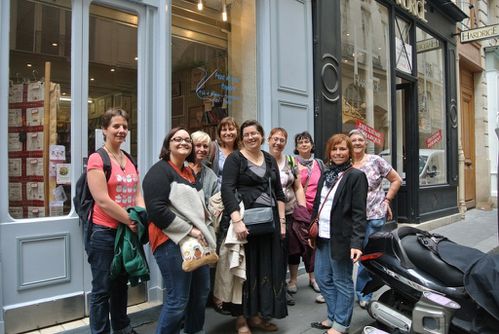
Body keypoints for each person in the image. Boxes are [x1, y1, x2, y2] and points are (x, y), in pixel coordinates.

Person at [142, 128, 215, 334]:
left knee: (201, 294)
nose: (183, 143)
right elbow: (156, 210)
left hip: (197, 241)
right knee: (178, 300)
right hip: (169, 243)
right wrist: (189, 229)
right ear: (168, 144)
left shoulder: (190, 172)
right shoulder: (159, 171)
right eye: (177, 139)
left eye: (187, 140)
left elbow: (199, 206)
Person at [221, 120, 288, 334]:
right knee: (244, 271)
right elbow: (227, 190)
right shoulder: (235, 159)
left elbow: (279, 193)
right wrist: (236, 220)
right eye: (247, 134)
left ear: (261, 136)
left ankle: (258, 316)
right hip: (245, 224)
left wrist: (282, 223)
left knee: (266, 268)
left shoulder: (269, 159)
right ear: (242, 138)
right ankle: (241, 319)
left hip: (270, 224)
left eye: (255, 133)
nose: (251, 137)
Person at [86, 108, 145, 334]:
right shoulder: (97, 158)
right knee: (102, 289)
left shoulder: (128, 158)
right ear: (104, 129)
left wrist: (140, 215)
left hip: (126, 232)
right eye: (116, 126)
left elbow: (137, 191)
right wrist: (130, 220)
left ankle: (122, 328)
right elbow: (102, 199)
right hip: (104, 232)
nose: (121, 131)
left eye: (124, 127)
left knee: (121, 286)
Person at [310, 133, 367, 334]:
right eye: (334, 149)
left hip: (342, 238)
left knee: (342, 280)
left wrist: (357, 243)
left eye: (342, 149)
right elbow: (318, 203)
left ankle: (341, 324)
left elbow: (360, 214)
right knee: (322, 277)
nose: (338, 153)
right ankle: (333, 316)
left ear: (349, 152)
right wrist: (312, 232)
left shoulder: (356, 176)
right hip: (323, 235)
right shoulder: (327, 173)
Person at [349, 129, 402, 308]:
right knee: (346, 256)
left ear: (365, 143)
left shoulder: (375, 161)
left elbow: (396, 179)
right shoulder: (345, 162)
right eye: (353, 140)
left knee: (367, 257)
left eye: (360, 140)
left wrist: (387, 200)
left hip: (374, 216)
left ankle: (364, 293)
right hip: (350, 218)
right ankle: (344, 292)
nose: (356, 143)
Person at [267, 128, 307, 306]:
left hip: (290, 213)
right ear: (268, 140)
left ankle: (282, 289)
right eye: (275, 139)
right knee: (270, 253)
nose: (278, 142)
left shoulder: (291, 161)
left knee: (286, 251)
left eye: (282, 140)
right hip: (267, 215)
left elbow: (298, 187)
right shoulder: (262, 160)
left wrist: (303, 211)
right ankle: (270, 289)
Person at [294, 131, 324, 299]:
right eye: (300, 142)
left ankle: (313, 278)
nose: (304, 144)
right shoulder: (292, 162)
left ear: (312, 145)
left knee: (313, 244)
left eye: (307, 141)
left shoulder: (319, 163)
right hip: (298, 209)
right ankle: (293, 279)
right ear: (296, 147)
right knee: (295, 245)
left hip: (316, 210)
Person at [189, 130, 219, 205]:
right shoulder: (180, 167)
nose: (202, 149)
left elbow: (215, 205)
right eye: (198, 145)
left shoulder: (211, 176)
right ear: (191, 146)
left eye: (205, 146)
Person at [209, 116, 240, 186]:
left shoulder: (242, 151)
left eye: (231, 129)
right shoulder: (212, 148)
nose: (228, 133)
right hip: (216, 194)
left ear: (237, 131)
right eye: (224, 130)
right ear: (219, 133)